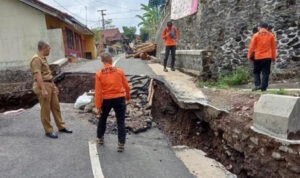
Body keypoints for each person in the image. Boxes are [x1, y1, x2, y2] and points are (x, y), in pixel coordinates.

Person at [30, 41, 72, 139]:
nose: (50, 50)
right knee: (46, 109)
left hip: (49, 84)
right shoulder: (36, 59)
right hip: (42, 85)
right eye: (49, 48)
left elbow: (47, 74)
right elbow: (38, 75)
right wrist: (43, 89)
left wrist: (54, 86)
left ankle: (61, 126)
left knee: (56, 106)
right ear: (44, 48)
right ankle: (48, 130)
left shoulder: (43, 58)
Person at [94, 53, 130, 152]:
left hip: (106, 99)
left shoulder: (99, 73)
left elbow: (98, 92)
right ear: (111, 60)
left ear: (102, 61)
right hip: (119, 98)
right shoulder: (119, 71)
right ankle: (121, 144)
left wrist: (98, 106)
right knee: (120, 121)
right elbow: (126, 86)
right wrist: (127, 97)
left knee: (103, 118)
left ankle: (100, 138)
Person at [248, 22, 276, 91]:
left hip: (258, 57)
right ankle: (263, 88)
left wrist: (249, 56)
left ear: (260, 27)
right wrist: (273, 57)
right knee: (266, 73)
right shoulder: (271, 35)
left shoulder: (256, 35)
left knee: (256, 72)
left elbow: (251, 47)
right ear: (267, 28)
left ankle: (257, 85)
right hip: (267, 57)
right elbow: (273, 48)